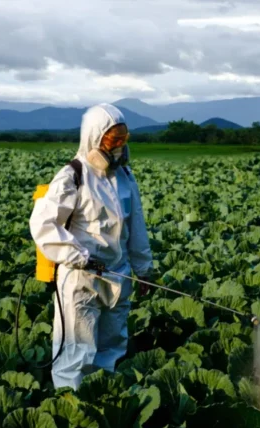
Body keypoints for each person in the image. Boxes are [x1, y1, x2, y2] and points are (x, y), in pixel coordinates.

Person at [29, 103, 154, 390]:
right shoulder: (72, 175)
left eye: (123, 139)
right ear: (95, 137)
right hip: (81, 277)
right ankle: (71, 407)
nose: (119, 146)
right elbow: (44, 225)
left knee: (112, 346)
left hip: (117, 275)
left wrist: (144, 269)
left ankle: (102, 400)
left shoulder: (125, 176)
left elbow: (136, 227)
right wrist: (78, 256)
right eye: (113, 139)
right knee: (76, 351)